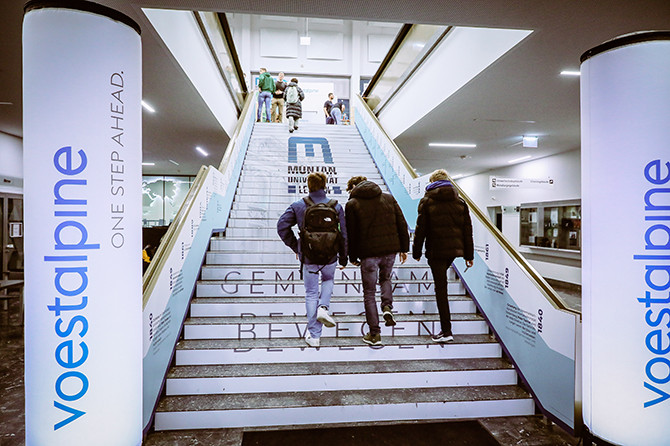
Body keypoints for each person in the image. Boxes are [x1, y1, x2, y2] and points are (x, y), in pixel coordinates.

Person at [277, 172, 348, 348]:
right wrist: (344, 257)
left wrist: (297, 247)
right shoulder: (336, 206)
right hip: (330, 256)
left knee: (310, 293)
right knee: (328, 279)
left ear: (308, 185)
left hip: (309, 257)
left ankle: (314, 336)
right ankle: (324, 308)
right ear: (325, 185)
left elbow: (281, 227)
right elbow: (344, 234)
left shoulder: (298, 205)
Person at [345, 176, 409, 346]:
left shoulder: (352, 204)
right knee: (386, 279)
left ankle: (375, 333)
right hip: (390, 250)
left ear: (354, 188)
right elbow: (402, 223)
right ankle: (387, 306)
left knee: (369, 293)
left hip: (368, 254)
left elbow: (351, 234)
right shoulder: (388, 198)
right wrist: (404, 248)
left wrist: (351, 256)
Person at [412, 169, 474, 343]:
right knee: (442, 287)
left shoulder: (427, 201)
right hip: (453, 252)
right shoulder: (460, 202)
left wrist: (416, 252)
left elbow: (420, 230)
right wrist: (469, 255)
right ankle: (446, 330)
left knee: (441, 290)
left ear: (432, 182)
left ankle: (446, 331)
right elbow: (467, 231)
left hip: (436, 251)